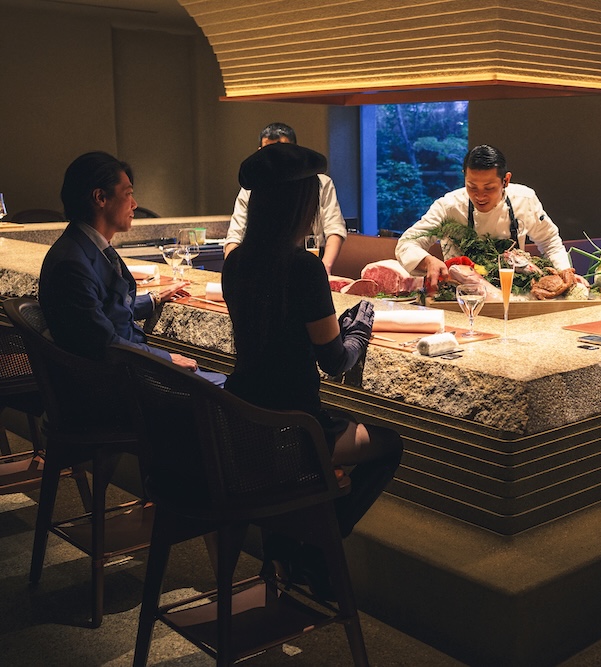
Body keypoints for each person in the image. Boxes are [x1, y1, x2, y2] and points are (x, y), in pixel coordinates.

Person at [222, 142, 402, 554]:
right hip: (293, 427)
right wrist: (359, 328)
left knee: (344, 432)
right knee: (389, 444)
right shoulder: (303, 268)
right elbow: (335, 361)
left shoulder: (236, 263)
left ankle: (300, 531)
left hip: (242, 420)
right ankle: (320, 536)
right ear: (301, 205)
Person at [38, 151, 226, 385]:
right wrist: (166, 358)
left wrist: (153, 299)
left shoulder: (87, 246)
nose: (135, 204)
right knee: (228, 389)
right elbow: (104, 343)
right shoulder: (71, 263)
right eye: (128, 194)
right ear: (100, 198)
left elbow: (100, 311)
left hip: (127, 372)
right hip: (122, 385)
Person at [395, 144, 573, 292]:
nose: (480, 196)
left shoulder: (524, 200)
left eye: (489, 188)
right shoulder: (449, 207)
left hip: (514, 294)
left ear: (506, 180)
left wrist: (564, 271)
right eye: (472, 187)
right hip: (460, 296)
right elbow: (407, 244)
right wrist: (428, 261)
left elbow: (549, 241)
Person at [223, 122, 347, 275]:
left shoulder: (320, 183)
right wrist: (234, 268)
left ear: (295, 151)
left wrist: (325, 267)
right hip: (260, 261)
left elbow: (335, 228)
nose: (276, 159)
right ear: (259, 152)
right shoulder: (251, 188)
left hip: (309, 257)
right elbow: (235, 235)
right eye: (269, 151)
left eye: (281, 151)